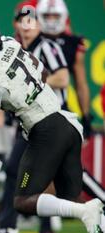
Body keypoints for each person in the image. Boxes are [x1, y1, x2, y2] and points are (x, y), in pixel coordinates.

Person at [0, 17, 104, 233]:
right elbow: (41, 71)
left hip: (46, 131)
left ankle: (87, 211)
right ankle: (94, 217)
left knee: (23, 201)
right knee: (68, 197)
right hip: (66, 123)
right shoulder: (10, 43)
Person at [0, 3, 70, 233]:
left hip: (49, 117)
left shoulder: (48, 46)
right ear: (15, 25)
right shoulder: (17, 48)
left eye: (31, 21)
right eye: (23, 21)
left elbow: (63, 78)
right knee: (19, 171)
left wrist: (31, 82)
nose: (27, 26)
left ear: (39, 24)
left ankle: (10, 226)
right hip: (29, 122)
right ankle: (9, 226)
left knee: (28, 172)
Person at [37, 0, 91, 137]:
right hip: (31, 106)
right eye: (47, 16)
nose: (51, 20)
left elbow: (81, 84)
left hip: (58, 105)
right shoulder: (31, 38)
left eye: (55, 15)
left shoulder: (73, 43)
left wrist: (86, 115)